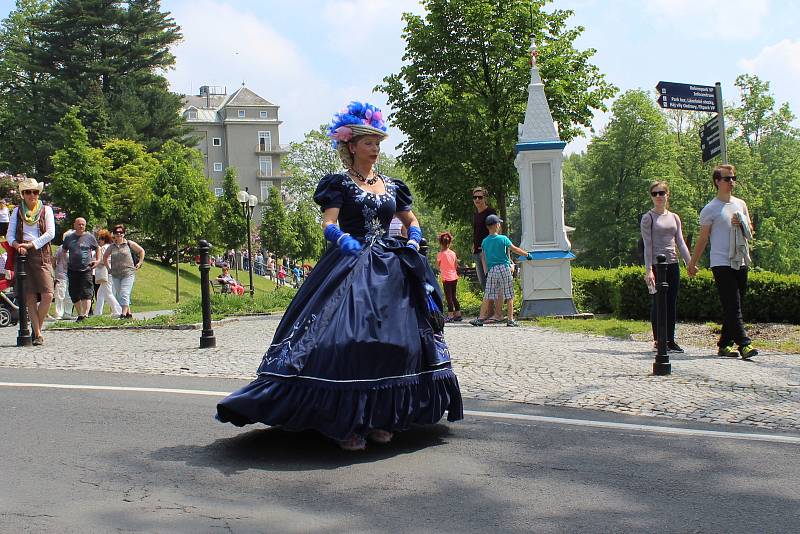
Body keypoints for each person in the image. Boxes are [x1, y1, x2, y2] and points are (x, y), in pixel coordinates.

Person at [216, 101, 463, 451]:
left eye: (378, 142)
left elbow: (411, 219)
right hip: (351, 264)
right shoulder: (340, 185)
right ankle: (345, 421)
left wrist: (415, 239)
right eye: (368, 142)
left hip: (392, 266)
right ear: (351, 146)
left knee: (398, 341)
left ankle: (380, 415)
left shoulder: (393, 185)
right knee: (347, 340)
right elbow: (328, 222)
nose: (375, 148)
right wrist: (341, 238)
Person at [687, 164, 758, 359]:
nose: (732, 182)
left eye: (734, 178)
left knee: (734, 305)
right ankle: (745, 344)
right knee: (732, 304)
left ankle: (724, 344)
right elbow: (703, 239)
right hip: (721, 262)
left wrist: (743, 222)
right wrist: (692, 263)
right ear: (717, 182)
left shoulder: (740, 204)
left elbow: (751, 230)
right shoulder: (710, 209)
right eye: (727, 179)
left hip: (740, 260)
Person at [641, 181, 691, 353]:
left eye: (661, 193)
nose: (658, 196)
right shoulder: (648, 218)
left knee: (671, 302)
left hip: (672, 263)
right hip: (657, 265)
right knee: (658, 302)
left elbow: (681, 243)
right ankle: (658, 339)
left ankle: (670, 339)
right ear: (651, 197)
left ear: (667, 194)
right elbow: (647, 245)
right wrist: (648, 270)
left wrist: (690, 263)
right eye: (654, 193)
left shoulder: (674, 217)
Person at [6, 178, 55, 345]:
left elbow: (50, 233)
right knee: (30, 296)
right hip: (23, 255)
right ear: (23, 194)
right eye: (28, 192)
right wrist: (16, 244)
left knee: (48, 294)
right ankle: (38, 334)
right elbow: (10, 235)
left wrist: (31, 245)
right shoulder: (17, 211)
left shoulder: (46, 210)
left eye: (35, 192)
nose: (32, 195)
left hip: (41, 254)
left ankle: (36, 328)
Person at [470, 214, 531, 327]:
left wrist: (486, 271)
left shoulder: (484, 242)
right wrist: (527, 254)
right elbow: (515, 249)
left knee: (488, 294)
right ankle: (510, 319)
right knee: (509, 294)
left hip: (492, 269)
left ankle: (481, 318)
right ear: (497, 225)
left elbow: (484, 257)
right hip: (504, 267)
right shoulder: (503, 239)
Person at [61, 217, 101, 321]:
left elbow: (97, 248)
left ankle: (85, 314)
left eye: (83, 224)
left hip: (86, 269)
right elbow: (64, 250)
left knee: (86, 292)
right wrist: (65, 261)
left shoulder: (89, 237)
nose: (81, 226)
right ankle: (80, 314)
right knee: (73, 293)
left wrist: (97, 260)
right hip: (72, 269)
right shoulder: (69, 238)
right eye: (79, 224)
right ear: (74, 225)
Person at [102, 224, 145, 319]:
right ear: (114, 234)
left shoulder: (129, 243)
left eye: (121, 232)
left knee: (125, 293)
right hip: (116, 274)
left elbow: (141, 251)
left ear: (124, 234)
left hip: (128, 273)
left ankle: (123, 314)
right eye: (117, 232)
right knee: (120, 294)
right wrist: (108, 268)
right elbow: (104, 257)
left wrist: (139, 263)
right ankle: (129, 313)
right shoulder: (111, 247)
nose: (119, 234)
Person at [471, 186, 496, 290]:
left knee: (490, 281)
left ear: (485, 198)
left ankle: (493, 305)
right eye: (475, 197)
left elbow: (496, 230)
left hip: (487, 251)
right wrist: (473, 244)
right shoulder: (476, 215)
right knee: (483, 283)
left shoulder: (490, 212)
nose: (477, 199)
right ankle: (488, 306)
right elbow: (476, 231)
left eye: (480, 197)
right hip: (477, 251)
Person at [94, 229, 122, 316]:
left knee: (107, 293)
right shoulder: (111, 247)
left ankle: (118, 310)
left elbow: (102, 260)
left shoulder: (103, 248)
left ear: (104, 239)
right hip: (111, 271)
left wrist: (96, 262)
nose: (99, 240)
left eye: (100, 238)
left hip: (106, 272)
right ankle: (98, 313)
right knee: (100, 293)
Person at [436, 232, 461, 322]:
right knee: (454, 296)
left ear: (440, 243)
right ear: (449, 242)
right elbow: (455, 265)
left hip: (446, 278)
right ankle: (458, 314)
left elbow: (438, 266)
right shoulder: (453, 253)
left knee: (448, 297)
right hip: (454, 277)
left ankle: (450, 315)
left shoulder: (440, 254)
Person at [53, 231, 73, 320]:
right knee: (60, 294)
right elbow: (54, 260)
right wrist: (55, 271)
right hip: (61, 274)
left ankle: (67, 313)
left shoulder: (74, 248)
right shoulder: (61, 248)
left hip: (72, 274)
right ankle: (59, 314)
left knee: (70, 295)